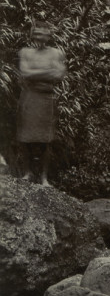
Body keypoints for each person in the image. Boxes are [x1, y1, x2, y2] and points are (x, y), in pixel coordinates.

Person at [17, 20, 66, 185]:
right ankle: (27, 173)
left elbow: (59, 75)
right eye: (36, 34)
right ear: (32, 35)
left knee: (46, 139)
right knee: (25, 137)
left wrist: (35, 73)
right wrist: (47, 71)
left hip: (46, 97)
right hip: (29, 96)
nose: (39, 37)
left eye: (43, 34)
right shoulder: (25, 52)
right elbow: (25, 73)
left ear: (49, 36)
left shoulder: (56, 53)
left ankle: (44, 177)